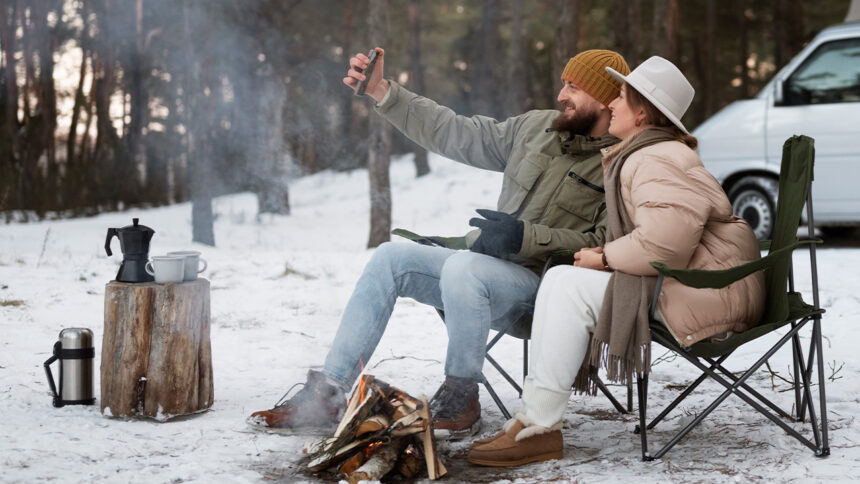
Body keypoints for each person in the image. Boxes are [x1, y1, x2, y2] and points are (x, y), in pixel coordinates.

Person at [247, 47, 631, 439]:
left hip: (545, 292)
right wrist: (383, 91)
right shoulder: (536, 129)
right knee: (391, 257)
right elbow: (456, 131)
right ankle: (328, 393)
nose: (561, 95)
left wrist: (525, 237)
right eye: (563, 84)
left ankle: (461, 394)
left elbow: (605, 243)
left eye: (573, 87)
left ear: (603, 98)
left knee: (464, 267)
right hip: (482, 278)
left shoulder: (619, 163)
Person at [466, 56, 766, 466]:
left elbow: (664, 247)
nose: (612, 105)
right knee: (564, 279)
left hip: (708, 289)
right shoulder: (648, 152)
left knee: (565, 284)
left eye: (622, 97)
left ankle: (537, 426)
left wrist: (605, 256)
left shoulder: (655, 157)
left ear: (642, 112)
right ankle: (531, 422)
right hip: (703, 282)